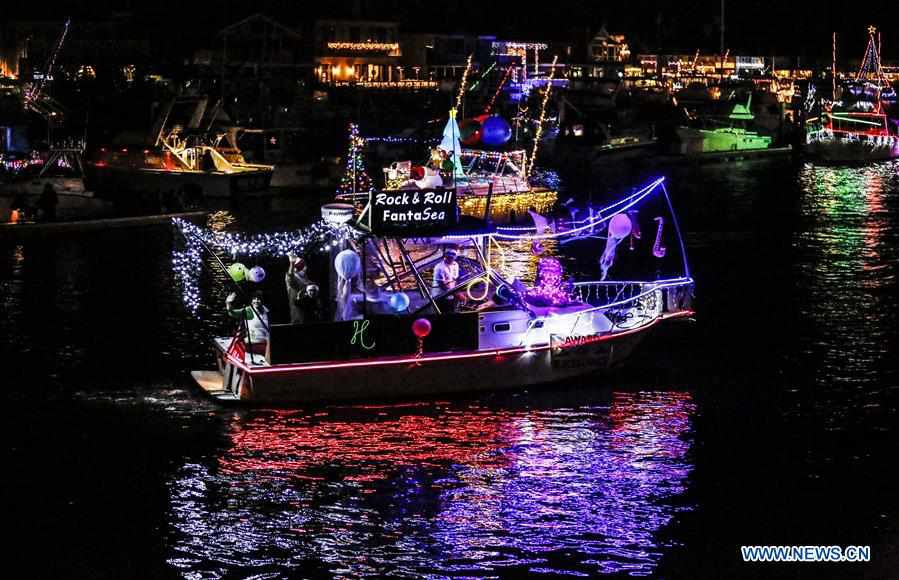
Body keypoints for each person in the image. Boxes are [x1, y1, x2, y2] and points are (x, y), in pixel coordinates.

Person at [226, 291, 270, 356]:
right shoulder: (248, 311)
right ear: (251, 300)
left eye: (258, 299)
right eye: (254, 299)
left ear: (262, 301)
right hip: (252, 345)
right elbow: (232, 313)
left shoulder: (267, 311)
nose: (256, 301)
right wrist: (228, 303)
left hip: (266, 345)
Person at [285, 253, 313, 324]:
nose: (305, 268)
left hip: (309, 314)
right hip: (298, 316)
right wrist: (292, 263)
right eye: (302, 266)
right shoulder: (294, 279)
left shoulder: (306, 279)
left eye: (304, 266)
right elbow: (290, 276)